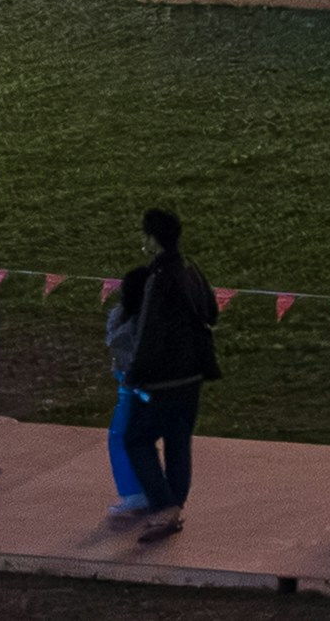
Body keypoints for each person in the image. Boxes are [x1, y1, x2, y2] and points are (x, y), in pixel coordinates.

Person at [109, 200, 217, 531]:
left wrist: (137, 374)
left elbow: (149, 333)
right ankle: (174, 506)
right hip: (194, 373)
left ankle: (163, 504)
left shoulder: (157, 279)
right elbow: (211, 313)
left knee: (136, 439)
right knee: (178, 441)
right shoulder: (192, 270)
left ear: (153, 239)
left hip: (163, 379)